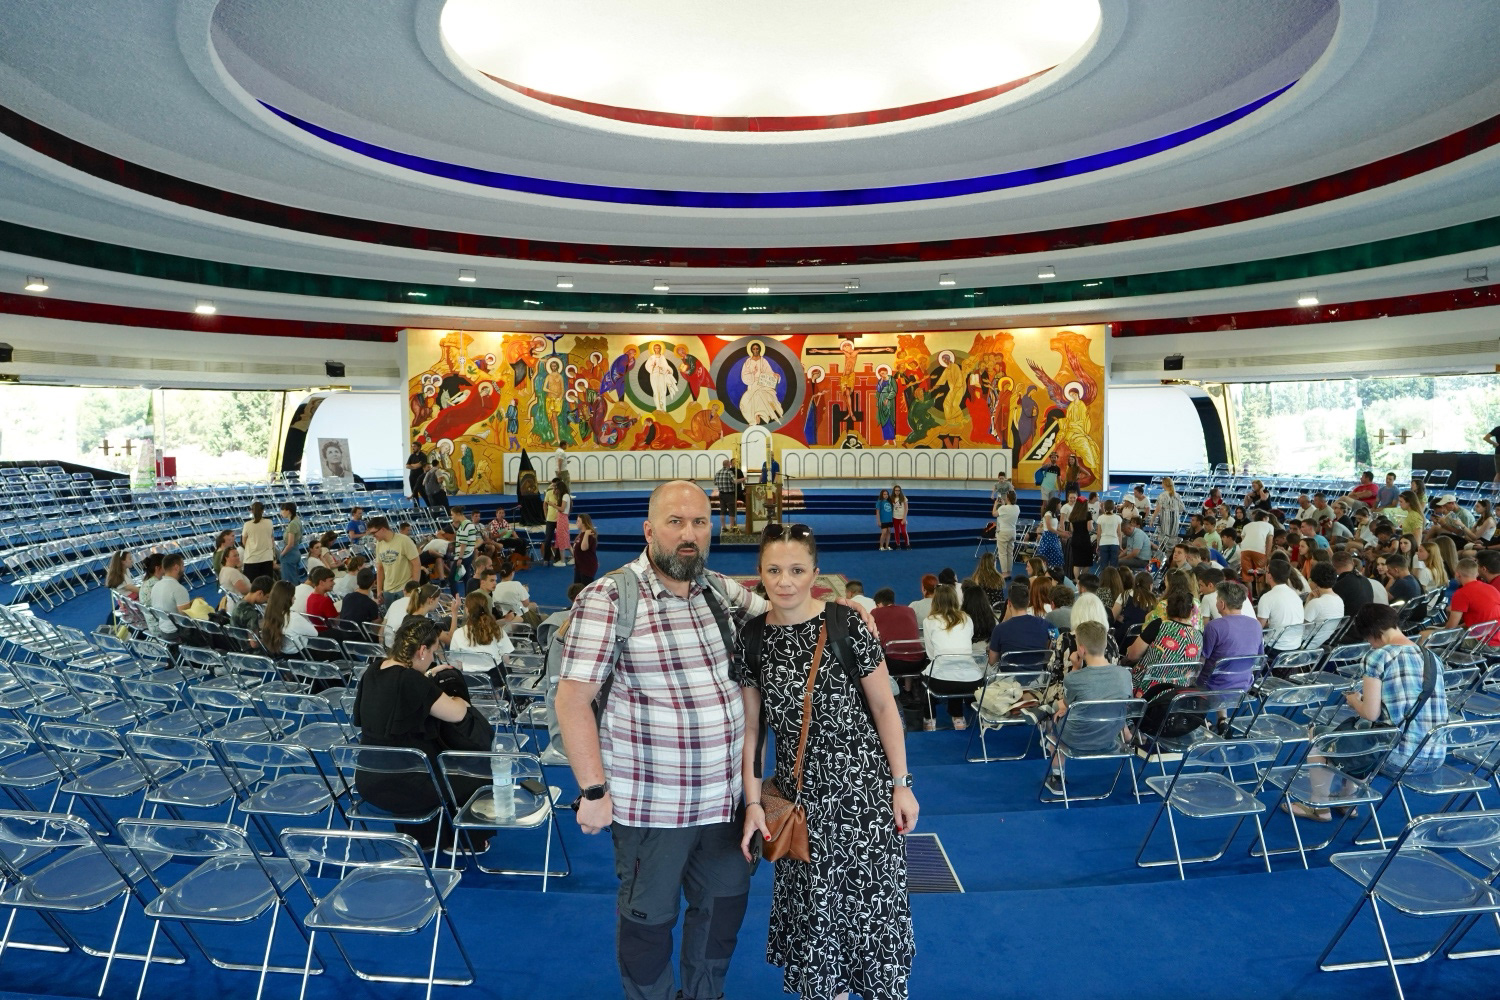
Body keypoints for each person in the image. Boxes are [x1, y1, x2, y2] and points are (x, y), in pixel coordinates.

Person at [557, 481, 771, 1000]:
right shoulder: (609, 598)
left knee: (720, 917)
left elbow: (785, 619)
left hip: (725, 806)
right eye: (675, 522)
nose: (689, 534)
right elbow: (572, 700)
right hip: (652, 809)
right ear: (649, 530)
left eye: (699, 522)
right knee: (648, 927)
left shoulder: (719, 590)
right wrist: (592, 790)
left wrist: (843, 614)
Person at [738, 522, 916, 1000]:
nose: (785, 581)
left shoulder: (846, 623)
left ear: (815, 573)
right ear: (759, 574)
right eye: (774, 570)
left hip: (863, 799)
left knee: (871, 911)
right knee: (817, 921)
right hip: (801, 807)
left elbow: (885, 708)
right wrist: (753, 803)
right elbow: (753, 731)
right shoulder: (752, 638)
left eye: (797, 570)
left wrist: (902, 783)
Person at [1287, 603, 1449, 822]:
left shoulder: (1378, 656)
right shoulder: (1432, 658)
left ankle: (1319, 808)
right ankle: (1347, 801)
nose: (1370, 644)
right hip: (1435, 752)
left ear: (1372, 633)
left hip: (1400, 756)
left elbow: (1370, 714)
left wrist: (1354, 700)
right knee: (1361, 733)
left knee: (1320, 738)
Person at [351, 616, 486, 849]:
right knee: (477, 771)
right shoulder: (411, 680)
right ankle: (466, 843)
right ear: (422, 650)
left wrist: (426, 679)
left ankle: (424, 839)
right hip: (407, 785)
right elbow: (457, 713)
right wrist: (458, 698)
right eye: (433, 652)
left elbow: (397, 694)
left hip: (369, 779)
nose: (433, 658)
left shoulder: (372, 671)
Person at [1041, 621, 1133, 792]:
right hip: (1110, 736)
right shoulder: (1125, 674)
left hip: (1076, 738)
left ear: (1081, 650)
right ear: (1105, 644)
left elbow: (1067, 703)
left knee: (1054, 725)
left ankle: (1057, 778)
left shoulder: (1073, 678)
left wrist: (1076, 667)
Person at [920, 583, 980, 731]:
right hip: (972, 681)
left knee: (928, 677)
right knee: (956, 669)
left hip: (941, 682)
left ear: (935, 600)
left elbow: (931, 654)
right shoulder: (967, 618)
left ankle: (930, 720)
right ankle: (958, 717)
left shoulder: (929, 621)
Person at [1125, 588, 1203, 696]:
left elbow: (1133, 656)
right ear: (1191, 611)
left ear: (1167, 609)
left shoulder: (1158, 625)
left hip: (1148, 691)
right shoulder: (1199, 636)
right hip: (1179, 692)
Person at [1197, 581, 1262, 690]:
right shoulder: (1256, 624)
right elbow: (1258, 658)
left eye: (1217, 600)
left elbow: (1202, 659)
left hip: (1213, 687)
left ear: (1222, 604)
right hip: (1244, 685)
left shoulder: (1214, 626)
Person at [988, 581, 1054, 665]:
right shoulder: (1047, 625)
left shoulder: (999, 629)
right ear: (1028, 602)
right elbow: (1057, 643)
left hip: (1009, 673)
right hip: (1038, 672)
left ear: (1009, 603)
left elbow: (992, 661)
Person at [448, 589, 514, 666]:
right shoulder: (498, 631)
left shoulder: (458, 633)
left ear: (467, 610)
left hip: (468, 673)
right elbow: (506, 660)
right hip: (495, 672)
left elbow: (455, 662)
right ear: (486, 608)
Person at [1256, 559, 1306, 660]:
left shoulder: (1267, 597)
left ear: (1270, 575)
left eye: (1266, 571)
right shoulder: (1295, 595)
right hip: (1296, 646)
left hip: (1275, 649)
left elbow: (1258, 627)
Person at [371, 515, 421, 610]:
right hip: (388, 590)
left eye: (374, 532)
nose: (373, 536)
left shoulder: (404, 540)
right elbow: (380, 568)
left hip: (404, 589)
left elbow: (416, 564)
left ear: (382, 529)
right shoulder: (379, 544)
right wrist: (379, 590)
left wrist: (413, 588)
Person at [1445, 558, 1500, 642]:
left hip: (1479, 641)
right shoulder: (1491, 588)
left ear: (1457, 574)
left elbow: (1451, 627)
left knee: (1425, 635)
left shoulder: (1461, 593)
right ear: (1477, 574)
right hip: (1495, 636)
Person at [261, 580, 316, 656]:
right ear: (287, 598)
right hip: (301, 654)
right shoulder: (293, 617)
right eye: (293, 595)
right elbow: (314, 633)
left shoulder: (269, 614)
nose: (295, 598)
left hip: (281, 653)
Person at [1303, 563, 1346, 648]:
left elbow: (1300, 626)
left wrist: (1308, 600)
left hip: (1304, 645)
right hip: (1320, 644)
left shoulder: (1316, 603)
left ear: (1314, 581)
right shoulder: (1339, 600)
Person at [149, 553, 193, 634]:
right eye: (183, 565)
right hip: (177, 632)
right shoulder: (178, 589)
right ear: (176, 567)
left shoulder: (156, 586)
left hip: (163, 629)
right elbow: (186, 615)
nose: (184, 568)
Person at [241, 501, 276, 581]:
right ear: (263, 511)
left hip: (252, 558)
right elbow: (271, 538)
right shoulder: (269, 522)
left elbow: (244, 541)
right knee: (267, 584)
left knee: (252, 584)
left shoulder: (247, 524)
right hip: (267, 558)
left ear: (251, 511)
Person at [993, 489, 1020, 575]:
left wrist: (995, 504)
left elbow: (994, 514)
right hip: (1012, 532)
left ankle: (1004, 573)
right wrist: (1003, 504)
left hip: (1003, 532)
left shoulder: (1003, 508)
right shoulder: (1017, 508)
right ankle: (1009, 572)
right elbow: (1007, 512)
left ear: (1007, 498)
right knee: (1010, 553)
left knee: (1002, 554)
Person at [1153, 478, 1186, 546]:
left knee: (1165, 538)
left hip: (1166, 519)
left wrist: (1152, 519)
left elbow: (1158, 508)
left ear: (1164, 484)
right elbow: (1182, 508)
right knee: (1173, 539)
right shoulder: (1177, 495)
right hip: (1175, 519)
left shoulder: (1162, 495)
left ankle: (1164, 551)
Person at [549, 478, 573, 567]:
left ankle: (563, 561)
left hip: (562, 518)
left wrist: (553, 505)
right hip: (561, 518)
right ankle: (572, 557)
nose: (556, 490)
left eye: (557, 489)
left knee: (562, 538)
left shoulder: (565, 496)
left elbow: (562, 509)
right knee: (562, 538)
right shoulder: (564, 496)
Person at [277, 503, 304, 584]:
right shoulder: (297, 520)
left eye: (282, 510)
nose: (281, 512)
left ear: (288, 511)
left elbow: (290, 544)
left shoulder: (292, 524)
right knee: (294, 579)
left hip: (290, 554)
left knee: (289, 582)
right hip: (296, 551)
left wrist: (281, 555)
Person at [1094, 499, 1122, 571]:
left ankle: (1104, 577)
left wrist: (1097, 545)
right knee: (1114, 566)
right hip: (1114, 543)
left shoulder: (1100, 518)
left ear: (1104, 507)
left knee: (1104, 565)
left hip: (1103, 542)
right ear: (1114, 507)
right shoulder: (1118, 518)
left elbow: (1099, 534)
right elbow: (1119, 533)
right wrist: (1120, 545)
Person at [1037, 496, 1064, 569]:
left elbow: (1055, 527)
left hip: (1053, 537)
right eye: (1060, 503)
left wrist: (1064, 532)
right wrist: (1060, 533)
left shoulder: (1053, 514)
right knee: (1049, 555)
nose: (1061, 505)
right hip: (1048, 537)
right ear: (1056, 504)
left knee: (1056, 554)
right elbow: (1049, 527)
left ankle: (1052, 570)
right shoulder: (1048, 514)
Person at [573, 512, 599, 585]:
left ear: (584, 523)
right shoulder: (581, 534)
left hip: (587, 567)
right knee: (577, 588)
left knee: (585, 588)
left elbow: (583, 548)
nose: (576, 523)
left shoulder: (589, 535)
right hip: (579, 566)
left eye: (578, 521)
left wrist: (586, 534)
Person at [714, 457, 739, 531]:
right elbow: (735, 481)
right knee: (731, 511)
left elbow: (715, 483)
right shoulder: (729, 472)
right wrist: (743, 479)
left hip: (721, 494)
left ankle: (724, 527)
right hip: (729, 494)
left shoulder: (718, 472)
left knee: (722, 511)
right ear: (728, 464)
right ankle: (732, 527)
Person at [890, 485, 910, 550]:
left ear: (900, 491)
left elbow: (906, 508)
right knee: (896, 531)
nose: (897, 492)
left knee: (903, 531)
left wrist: (904, 518)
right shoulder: (891, 498)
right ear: (894, 491)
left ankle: (907, 544)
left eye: (898, 490)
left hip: (902, 517)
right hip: (895, 517)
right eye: (896, 490)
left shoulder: (904, 498)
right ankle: (898, 544)